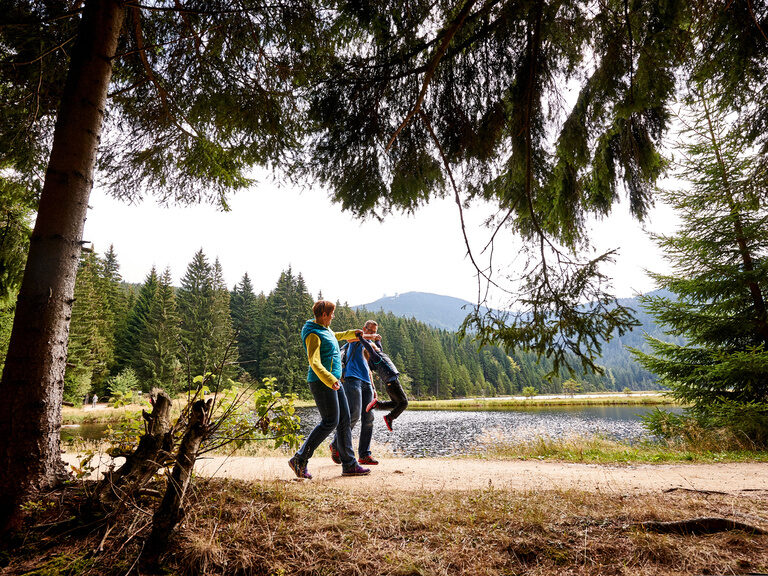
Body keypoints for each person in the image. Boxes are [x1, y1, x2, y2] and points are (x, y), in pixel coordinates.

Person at [288, 300, 371, 479]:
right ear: (324, 314)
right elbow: (314, 361)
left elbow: (337, 336)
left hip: (334, 381)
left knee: (344, 420)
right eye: (331, 313)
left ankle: (349, 464)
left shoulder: (325, 329)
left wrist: (353, 334)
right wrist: (330, 379)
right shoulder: (313, 334)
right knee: (330, 421)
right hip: (322, 382)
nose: (333, 316)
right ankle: (300, 459)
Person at [329, 320, 381, 466]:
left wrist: (374, 387)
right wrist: (372, 337)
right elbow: (353, 337)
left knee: (369, 418)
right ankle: (336, 444)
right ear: (364, 328)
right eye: (370, 330)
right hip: (352, 380)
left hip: (366, 382)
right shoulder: (356, 339)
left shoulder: (369, 346)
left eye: (374, 331)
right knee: (354, 415)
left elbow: (368, 367)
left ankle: (364, 454)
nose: (372, 333)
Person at [360, 329, 408, 431]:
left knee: (396, 403)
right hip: (392, 382)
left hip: (390, 384)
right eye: (375, 346)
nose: (377, 347)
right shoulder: (376, 358)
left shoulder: (378, 356)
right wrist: (361, 338)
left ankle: (377, 405)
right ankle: (390, 417)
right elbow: (369, 348)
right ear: (372, 350)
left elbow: (378, 348)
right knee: (404, 403)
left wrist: (378, 340)